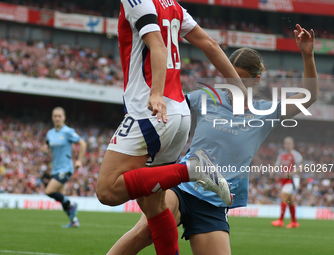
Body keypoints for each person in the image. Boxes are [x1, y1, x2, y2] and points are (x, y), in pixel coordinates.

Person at [105, 24, 317, 255]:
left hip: (214, 204)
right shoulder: (206, 98)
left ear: (256, 81)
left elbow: (309, 96)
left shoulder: (266, 112)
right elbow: (169, 110)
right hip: (181, 188)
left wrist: (307, 55)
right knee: (144, 231)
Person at [95, 0, 247, 254]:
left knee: (107, 190)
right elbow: (210, 44)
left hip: (151, 111)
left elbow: (157, 45)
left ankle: (191, 170)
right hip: (179, 115)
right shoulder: (173, 5)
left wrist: (155, 93)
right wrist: (240, 88)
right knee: (154, 207)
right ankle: (189, 170)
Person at [41, 107, 87, 228]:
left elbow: (83, 143)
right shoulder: (50, 133)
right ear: (52, 118)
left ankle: (72, 204)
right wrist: (44, 149)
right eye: (55, 116)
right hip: (55, 168)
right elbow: (46, 144)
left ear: (64, 118)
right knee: (61, 197)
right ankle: (74, 221)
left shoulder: (68, 131)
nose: (57, 118)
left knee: (49, 191)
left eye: (59, 116)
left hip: (65, 168)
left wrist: (79, 160)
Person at [271, 136, 302, 228]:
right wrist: (272, 170)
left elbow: (300, 167)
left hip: (292, 179)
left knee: (283, 196)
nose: (287, 145)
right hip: (284, 179)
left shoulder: (296, 155)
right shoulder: (282, 155)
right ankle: (294, 222)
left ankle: (280, 220)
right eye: (286, 143)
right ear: (284, 145)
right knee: (290, 200)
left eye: (289, 143)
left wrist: (291, 173)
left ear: (293, 145)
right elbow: (277, 165)